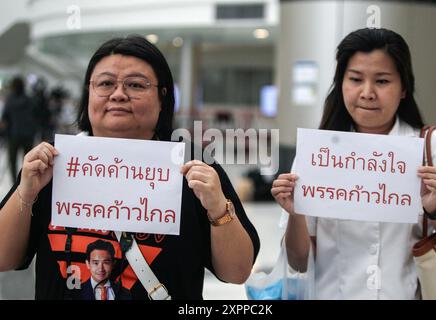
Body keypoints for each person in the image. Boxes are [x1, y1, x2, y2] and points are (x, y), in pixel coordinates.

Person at [0, 35, 259, 300]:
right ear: (88, 94)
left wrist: (217, 207)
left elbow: (237, 272)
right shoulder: (53, 161)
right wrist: (26, 193)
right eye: (105, 83)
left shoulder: (193, 164)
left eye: (135, 85)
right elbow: (3, 259)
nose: (119, 94)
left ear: (162, 97)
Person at [271, 28, 436, 299]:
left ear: (403, 88)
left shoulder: (433, 146)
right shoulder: (318, 153)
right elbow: (298, 262)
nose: (367, 93)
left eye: (382, 81)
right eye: (355, 79)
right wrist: (297, 214)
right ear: (340, 82)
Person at [1, 76, 38, 182]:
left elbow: (5, 118)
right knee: (28, 160)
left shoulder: (10, 100)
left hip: (13, 135)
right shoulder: (30, 100)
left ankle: (14, 182)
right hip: (28, 135)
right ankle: (24, 180)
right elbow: (36, 115)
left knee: (12, 161)